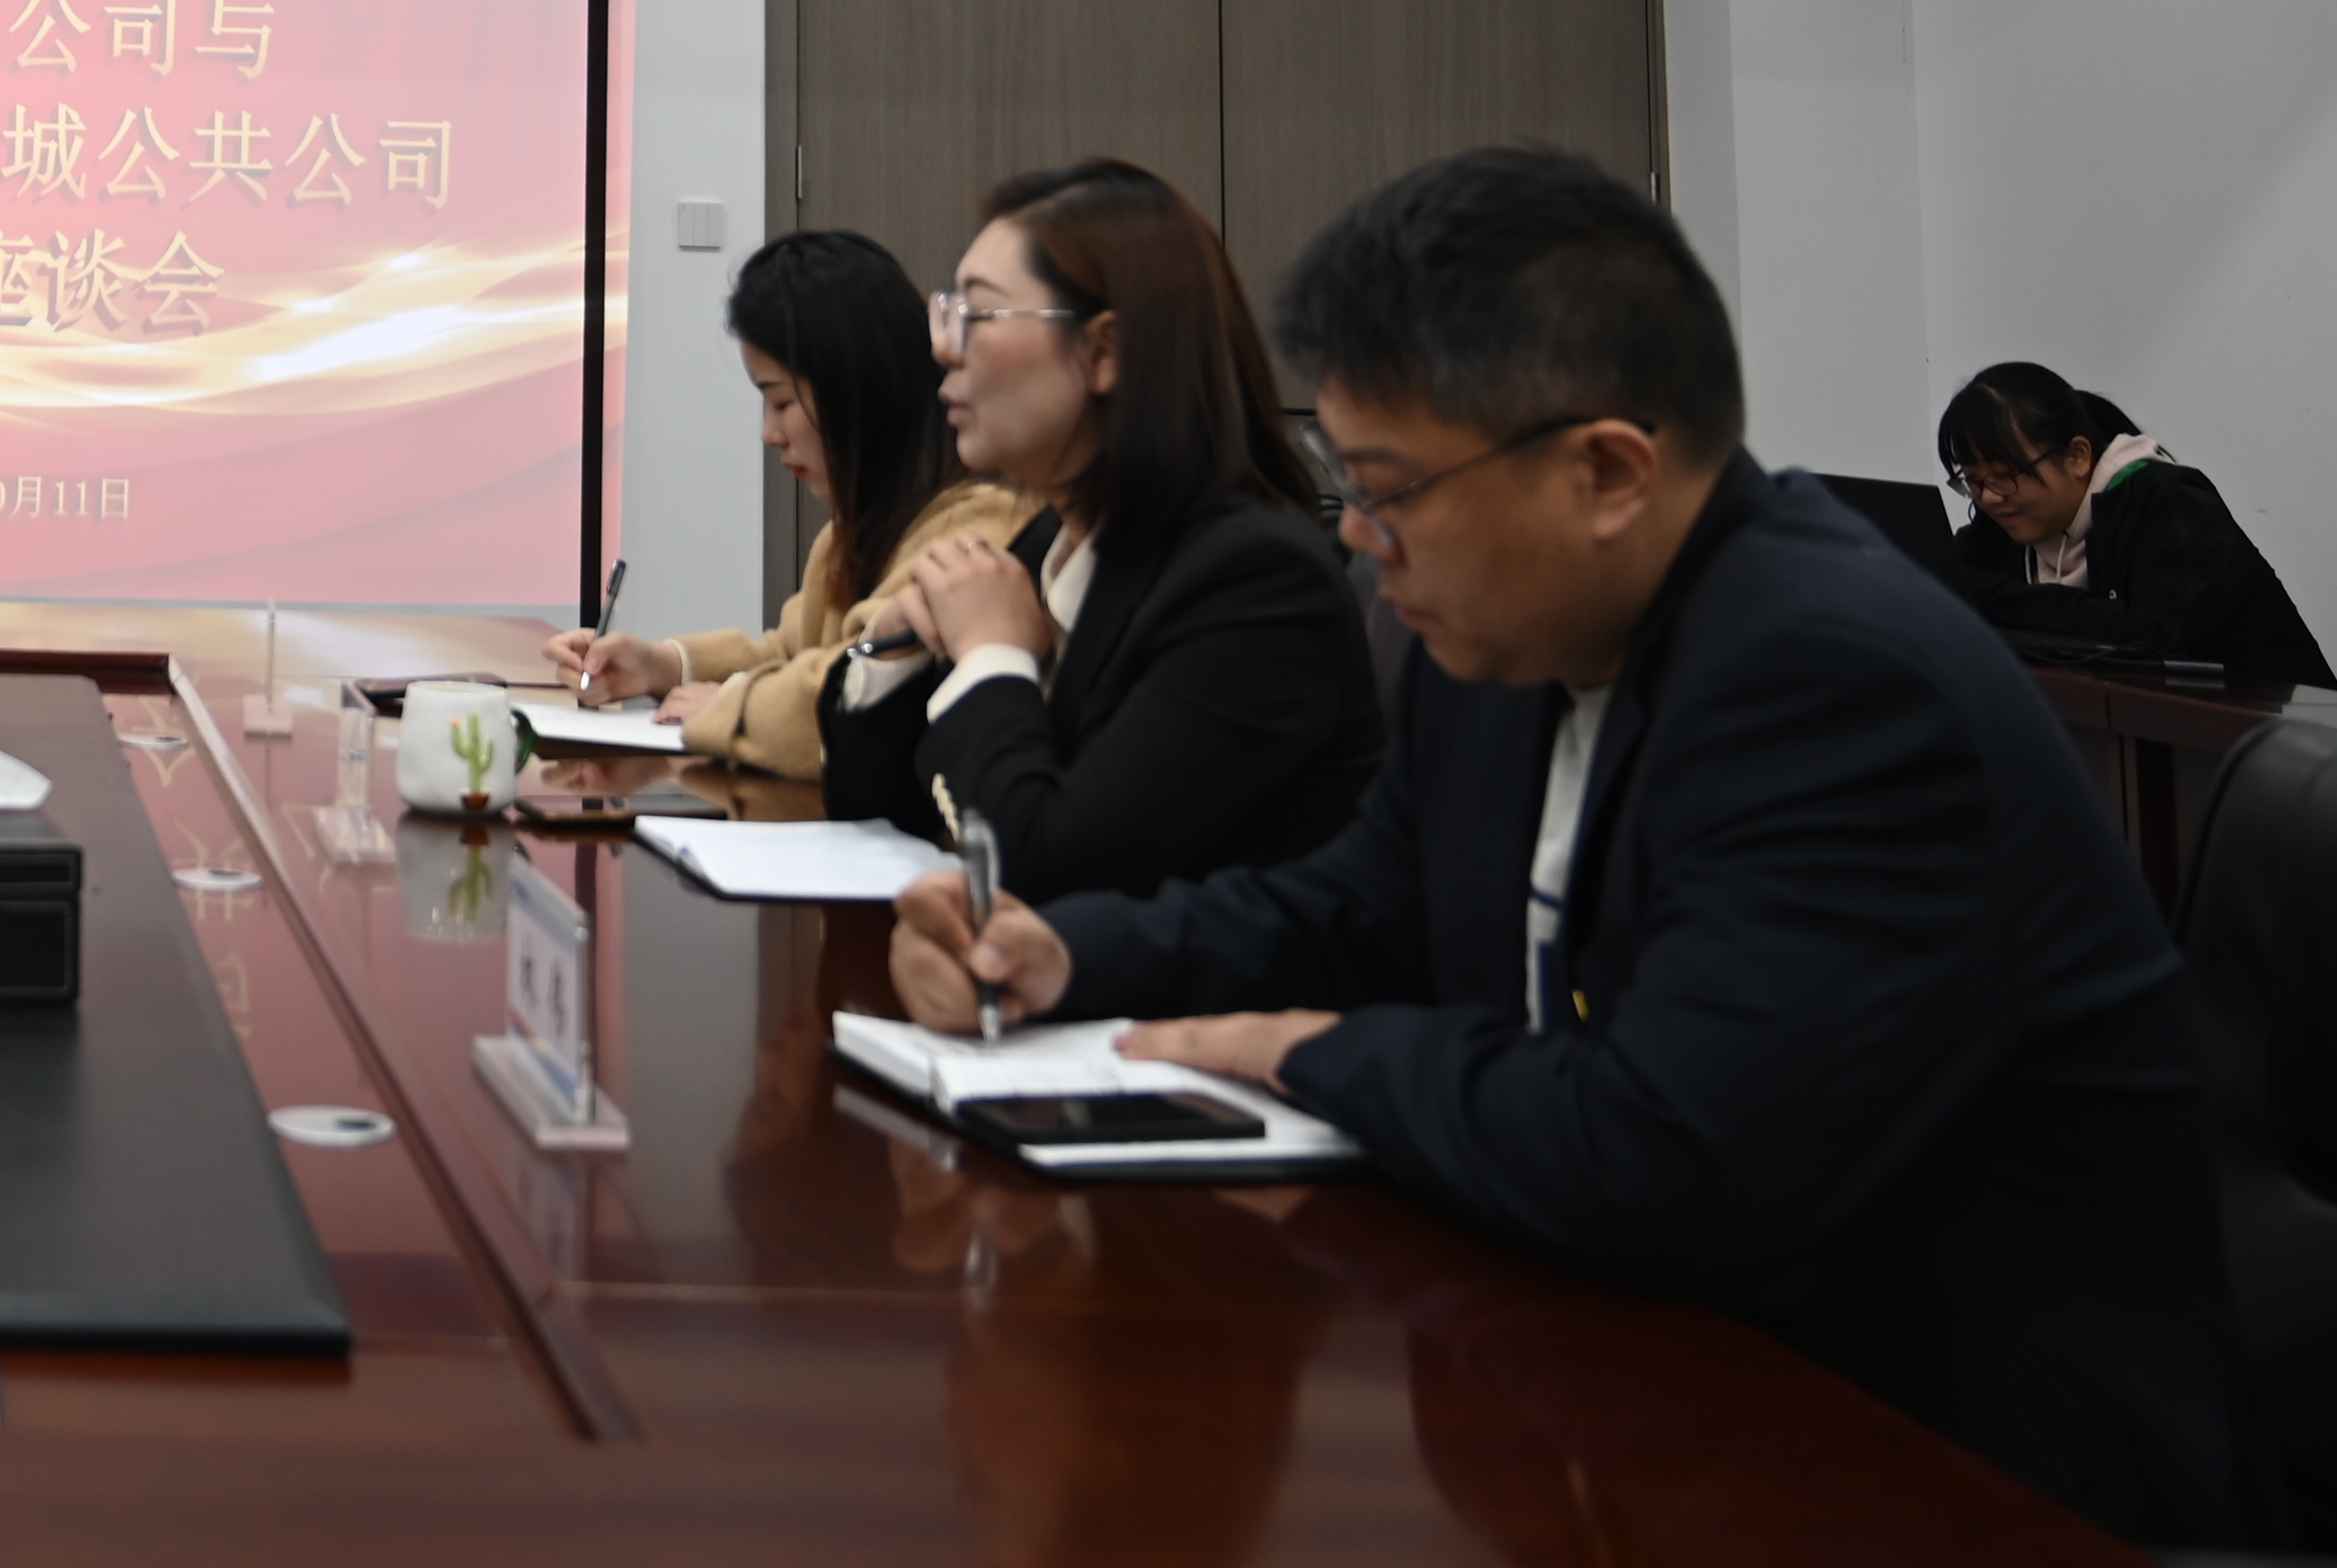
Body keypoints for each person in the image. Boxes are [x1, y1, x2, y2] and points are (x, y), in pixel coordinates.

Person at [889, 143, 2253, 1548]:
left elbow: (1666, 1155)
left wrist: (1302, 1050)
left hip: (1947, 1482)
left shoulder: (1836, 683)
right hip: (1646, 1412)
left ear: (1606, 472)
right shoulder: (1515, 637)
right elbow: (1362, 906)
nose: (1362, 540)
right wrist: (1065, 955)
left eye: (1389, 488)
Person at [814, 158, 1383, 888]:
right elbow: (873, 809)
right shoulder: (1052, 541)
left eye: (978, 314)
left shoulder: (1256, 582)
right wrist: (896, 651)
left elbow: (1051, 870)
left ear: (1105, 351)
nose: (943, 347)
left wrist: (989, 656)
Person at [548, 229, 1031, 777]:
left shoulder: (974, 530)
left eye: (780, 402)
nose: (770, 434)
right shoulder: (849, 532)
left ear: (855, 386)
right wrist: (661, 666)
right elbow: (793, 654)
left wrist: (734, 707)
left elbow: (849, 690)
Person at [1929, 360, 2333, 686]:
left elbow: (2154, 640)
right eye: (1973, 481)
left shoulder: (2165, 498)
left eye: (2004, 476)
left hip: (2276, 735)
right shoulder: (2008, 515)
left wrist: (1992, 598)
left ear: (2078, 457)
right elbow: (1943, 583)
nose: (1989, 497)